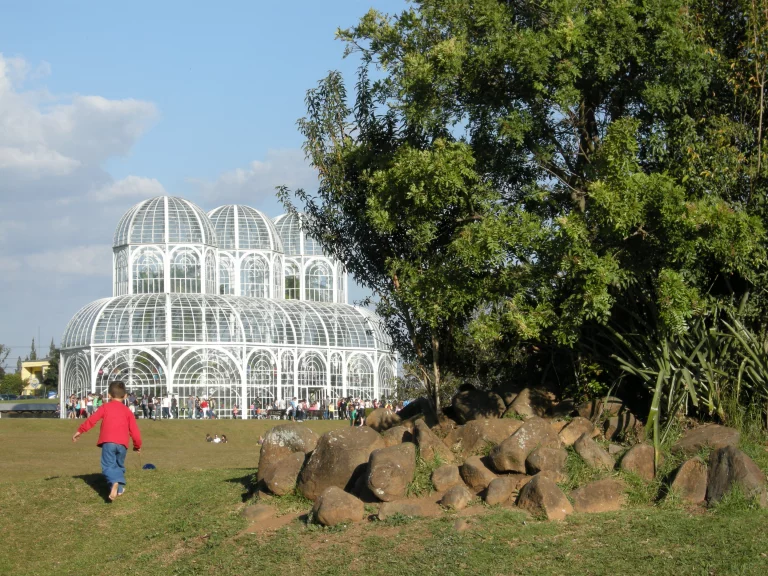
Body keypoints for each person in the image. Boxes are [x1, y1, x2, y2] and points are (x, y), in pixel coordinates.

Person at [72, 381, 142, 501]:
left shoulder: (105, 407)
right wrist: (137, 445)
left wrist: (80, 431)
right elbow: (135, 431)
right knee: (119, 466)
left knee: (108, 466)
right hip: (122, 444)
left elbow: (92, 419)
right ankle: (119, 489)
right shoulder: (127, 411)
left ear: (109, 395)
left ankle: (115, 483)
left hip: (108, 442)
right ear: (125, 396)